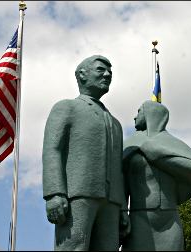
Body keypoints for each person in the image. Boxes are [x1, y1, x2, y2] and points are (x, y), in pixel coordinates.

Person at [42, 55, 129, 251]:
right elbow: (52, 150)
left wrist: (123, 207)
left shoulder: (116, 123)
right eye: (101, 70)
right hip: (78, 194)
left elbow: (119, 169)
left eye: (110, 72)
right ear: (82, 75)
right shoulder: (67, 107)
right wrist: (54, 194)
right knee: (74, 247)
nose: (107, 75)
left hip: (112, 201)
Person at [121, 101, 191, 251]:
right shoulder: (130, 145)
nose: (135, 117)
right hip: (139, 219)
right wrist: (122, 211)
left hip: (169, 221)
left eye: (139, 111)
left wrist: (153, 151)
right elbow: (119, 182)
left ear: (150, 114)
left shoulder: (170, 142)